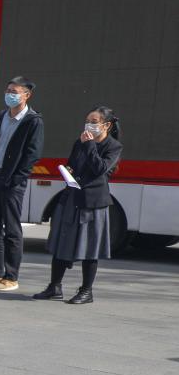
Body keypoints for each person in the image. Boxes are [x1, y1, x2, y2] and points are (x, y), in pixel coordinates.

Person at [33, 106, 121, 305]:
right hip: (71, 197)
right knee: (61, 242)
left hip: (92, 203)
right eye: (87, 121)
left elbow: (99, 169)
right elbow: (73, 163)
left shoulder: (113, 146)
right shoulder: (79, 141)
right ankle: (54, 287)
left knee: (89, 248)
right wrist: (68, 170)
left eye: (94, 122)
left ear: (106, 125)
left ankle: (86, 291)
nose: (89, 125)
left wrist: (89, 145)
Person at [0, 76, 42, 292]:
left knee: (11, 229)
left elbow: (32, 154)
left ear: (27, 95)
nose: (10, 94)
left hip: (11, 181)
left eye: (15, 91)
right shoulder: (1, 117)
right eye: (8, 90)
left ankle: (11, 276)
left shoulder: (32, 121)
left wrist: (17, 178)